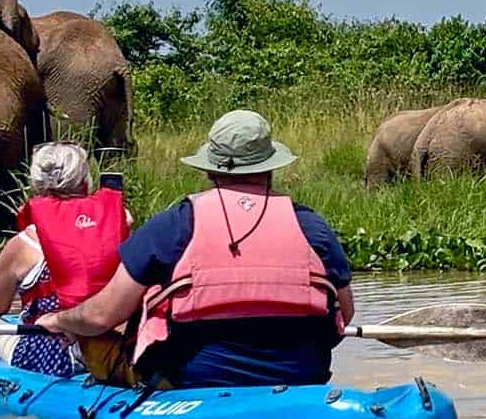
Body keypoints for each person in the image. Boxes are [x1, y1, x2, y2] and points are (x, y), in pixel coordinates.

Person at [36, 110, 354, 389]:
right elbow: (345, 313)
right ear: (271, 166)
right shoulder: (313, 227)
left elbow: (100, 316)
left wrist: (60, 321)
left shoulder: (174, 225)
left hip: (192, 380)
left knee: (91, 331)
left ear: (209, 169)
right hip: (302, 375)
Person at [0, 143, 129, 376]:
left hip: (53, 354)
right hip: (112, 344)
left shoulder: (24, 245)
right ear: (85, 182)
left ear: (37, 185)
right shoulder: (120, 224)